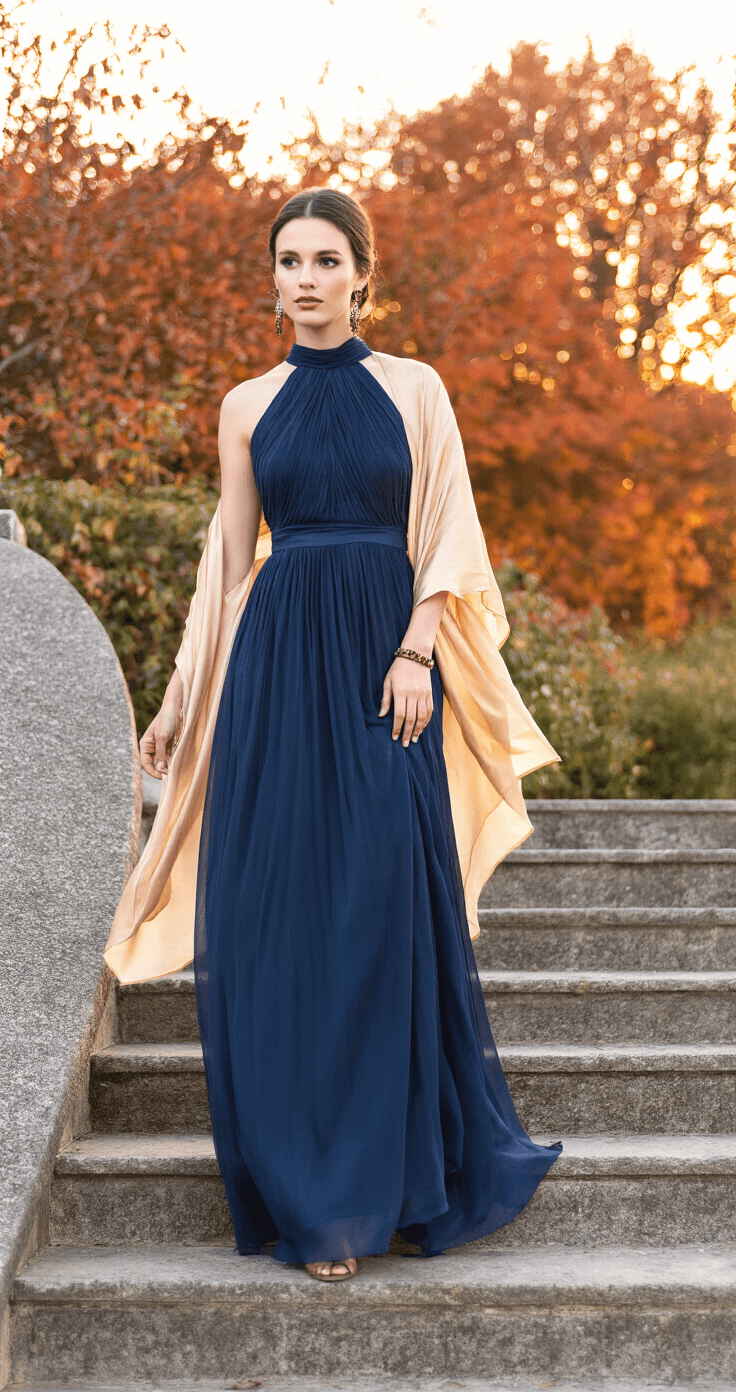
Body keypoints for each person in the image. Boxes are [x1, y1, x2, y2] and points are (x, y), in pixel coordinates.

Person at [107, 188, 562, 1283]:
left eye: (324, 260)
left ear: (362, 272)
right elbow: (226, 564)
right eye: (287, 261)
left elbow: (448, 532)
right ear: (270, 279)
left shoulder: (413, 388)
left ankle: (394, 1177)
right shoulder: (246, 405)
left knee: (379, 910)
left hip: (383, 665)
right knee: (281, 920)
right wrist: (177, 697)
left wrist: (414, 651)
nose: (304, 278)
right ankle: (319, 1201)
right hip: (274, 668)